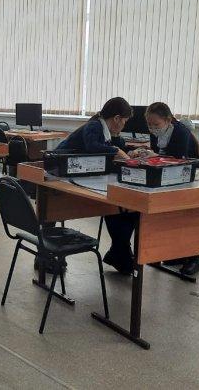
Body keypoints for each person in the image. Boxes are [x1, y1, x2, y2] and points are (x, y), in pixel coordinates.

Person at [55, 97, 135, 274]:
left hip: (82, 174)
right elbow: (93, 146)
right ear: (116, 118)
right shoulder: (95, 125)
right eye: (124, 121)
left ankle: (120, 252)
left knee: (122, 209)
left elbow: (116, 147)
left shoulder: (107, 130)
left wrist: (130, 151)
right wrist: (117, 151)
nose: (124, 125)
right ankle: (47, 256)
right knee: (54, 207)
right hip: (61, 168)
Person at [132, 102, 199, 275]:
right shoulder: (157, 133)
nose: (152, 129)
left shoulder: (181, 132)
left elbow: (178, 159)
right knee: (166, 216)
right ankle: (176, 254)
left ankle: (194, 258)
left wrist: (156, 156)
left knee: (185, 216)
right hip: (167, 177)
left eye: (156, 125)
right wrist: (146, 155)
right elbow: (158, 155)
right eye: (149, 125)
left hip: (188, 176)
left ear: (168, 120)